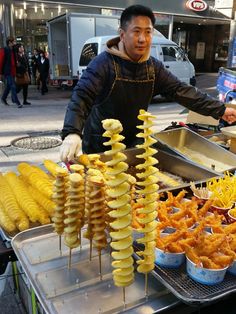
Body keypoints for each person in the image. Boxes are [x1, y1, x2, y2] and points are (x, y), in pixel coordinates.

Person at [60, 4, 236, 162]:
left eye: (148, 32)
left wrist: (220, 110)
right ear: (122, 34)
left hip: (134, 142)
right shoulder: (103, 63)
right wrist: (72, 133)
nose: (143, 39)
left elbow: (181, 90)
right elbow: (81, 96)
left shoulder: (153, 68)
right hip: (101, 146)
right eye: (136, 31)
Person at [0, 36, 22, 108]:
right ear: (10, 42)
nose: (15, 42)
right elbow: (1, 61)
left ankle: (3, 98)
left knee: (9, 86)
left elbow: (14, 60)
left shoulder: (12, 50)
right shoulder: (4, 50)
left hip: (13, 71)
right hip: (7, 71)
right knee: (12, 86)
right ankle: (16, 101)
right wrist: (0, 72)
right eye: (14, 41)